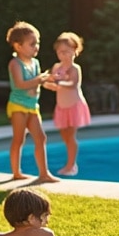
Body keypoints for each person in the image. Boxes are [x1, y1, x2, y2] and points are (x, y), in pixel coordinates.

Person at [3, 22, 57, 183]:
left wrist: (49, 84)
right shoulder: (15, 64)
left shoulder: (35, 63)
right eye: (32, 44)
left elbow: (37, 82)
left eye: (37, 43)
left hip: (33, 106)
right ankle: (16, 172)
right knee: (19, 139)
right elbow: (20, 84)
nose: (36, 47)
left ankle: (44, 173)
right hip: (18, 106)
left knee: (41, 137)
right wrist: (39, 79)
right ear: (18, 46)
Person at [42, 31, 92, 176]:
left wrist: (58, 81)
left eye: (66, 51)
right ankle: (70, 163)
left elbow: (72, 84)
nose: (62, 55)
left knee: (70, 136)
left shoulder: (75, 69)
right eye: (59, 52)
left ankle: (71, 165)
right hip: (62, 106)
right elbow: (54, 85)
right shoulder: (57, 67)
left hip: (74, 106)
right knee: (65, 135)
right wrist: (47, 83)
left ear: (75, 51)